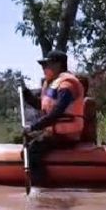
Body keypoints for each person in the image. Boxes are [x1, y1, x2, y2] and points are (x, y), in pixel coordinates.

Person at [20, 50, 85, 185]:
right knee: (26, 143)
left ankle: (43, 189)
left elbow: (57, 112)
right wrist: (26, 93)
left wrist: (32, 127)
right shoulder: (52, 83)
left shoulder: (67, 84)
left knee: (31, 152)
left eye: (47, 64)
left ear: (58, 65)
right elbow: (42, 105)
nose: (44, 68)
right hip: (54, 132)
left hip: (67, 133)